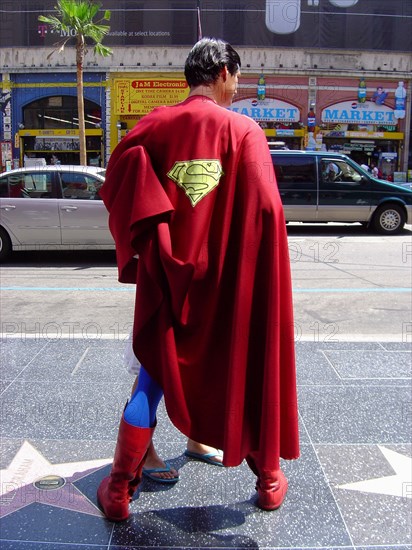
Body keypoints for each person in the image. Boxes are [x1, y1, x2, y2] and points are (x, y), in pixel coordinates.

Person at [97, 37, 299, 522]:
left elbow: (118, 181)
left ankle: (120, 492)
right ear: (224, 72)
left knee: (150, 381)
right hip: (226, 294)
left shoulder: (153, 126)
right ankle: (269, 483)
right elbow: (267, 212)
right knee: (249, 374)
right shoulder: (244, 131)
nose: (238, 87)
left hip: (169, 288)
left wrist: (159, 240)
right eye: (238, 77)